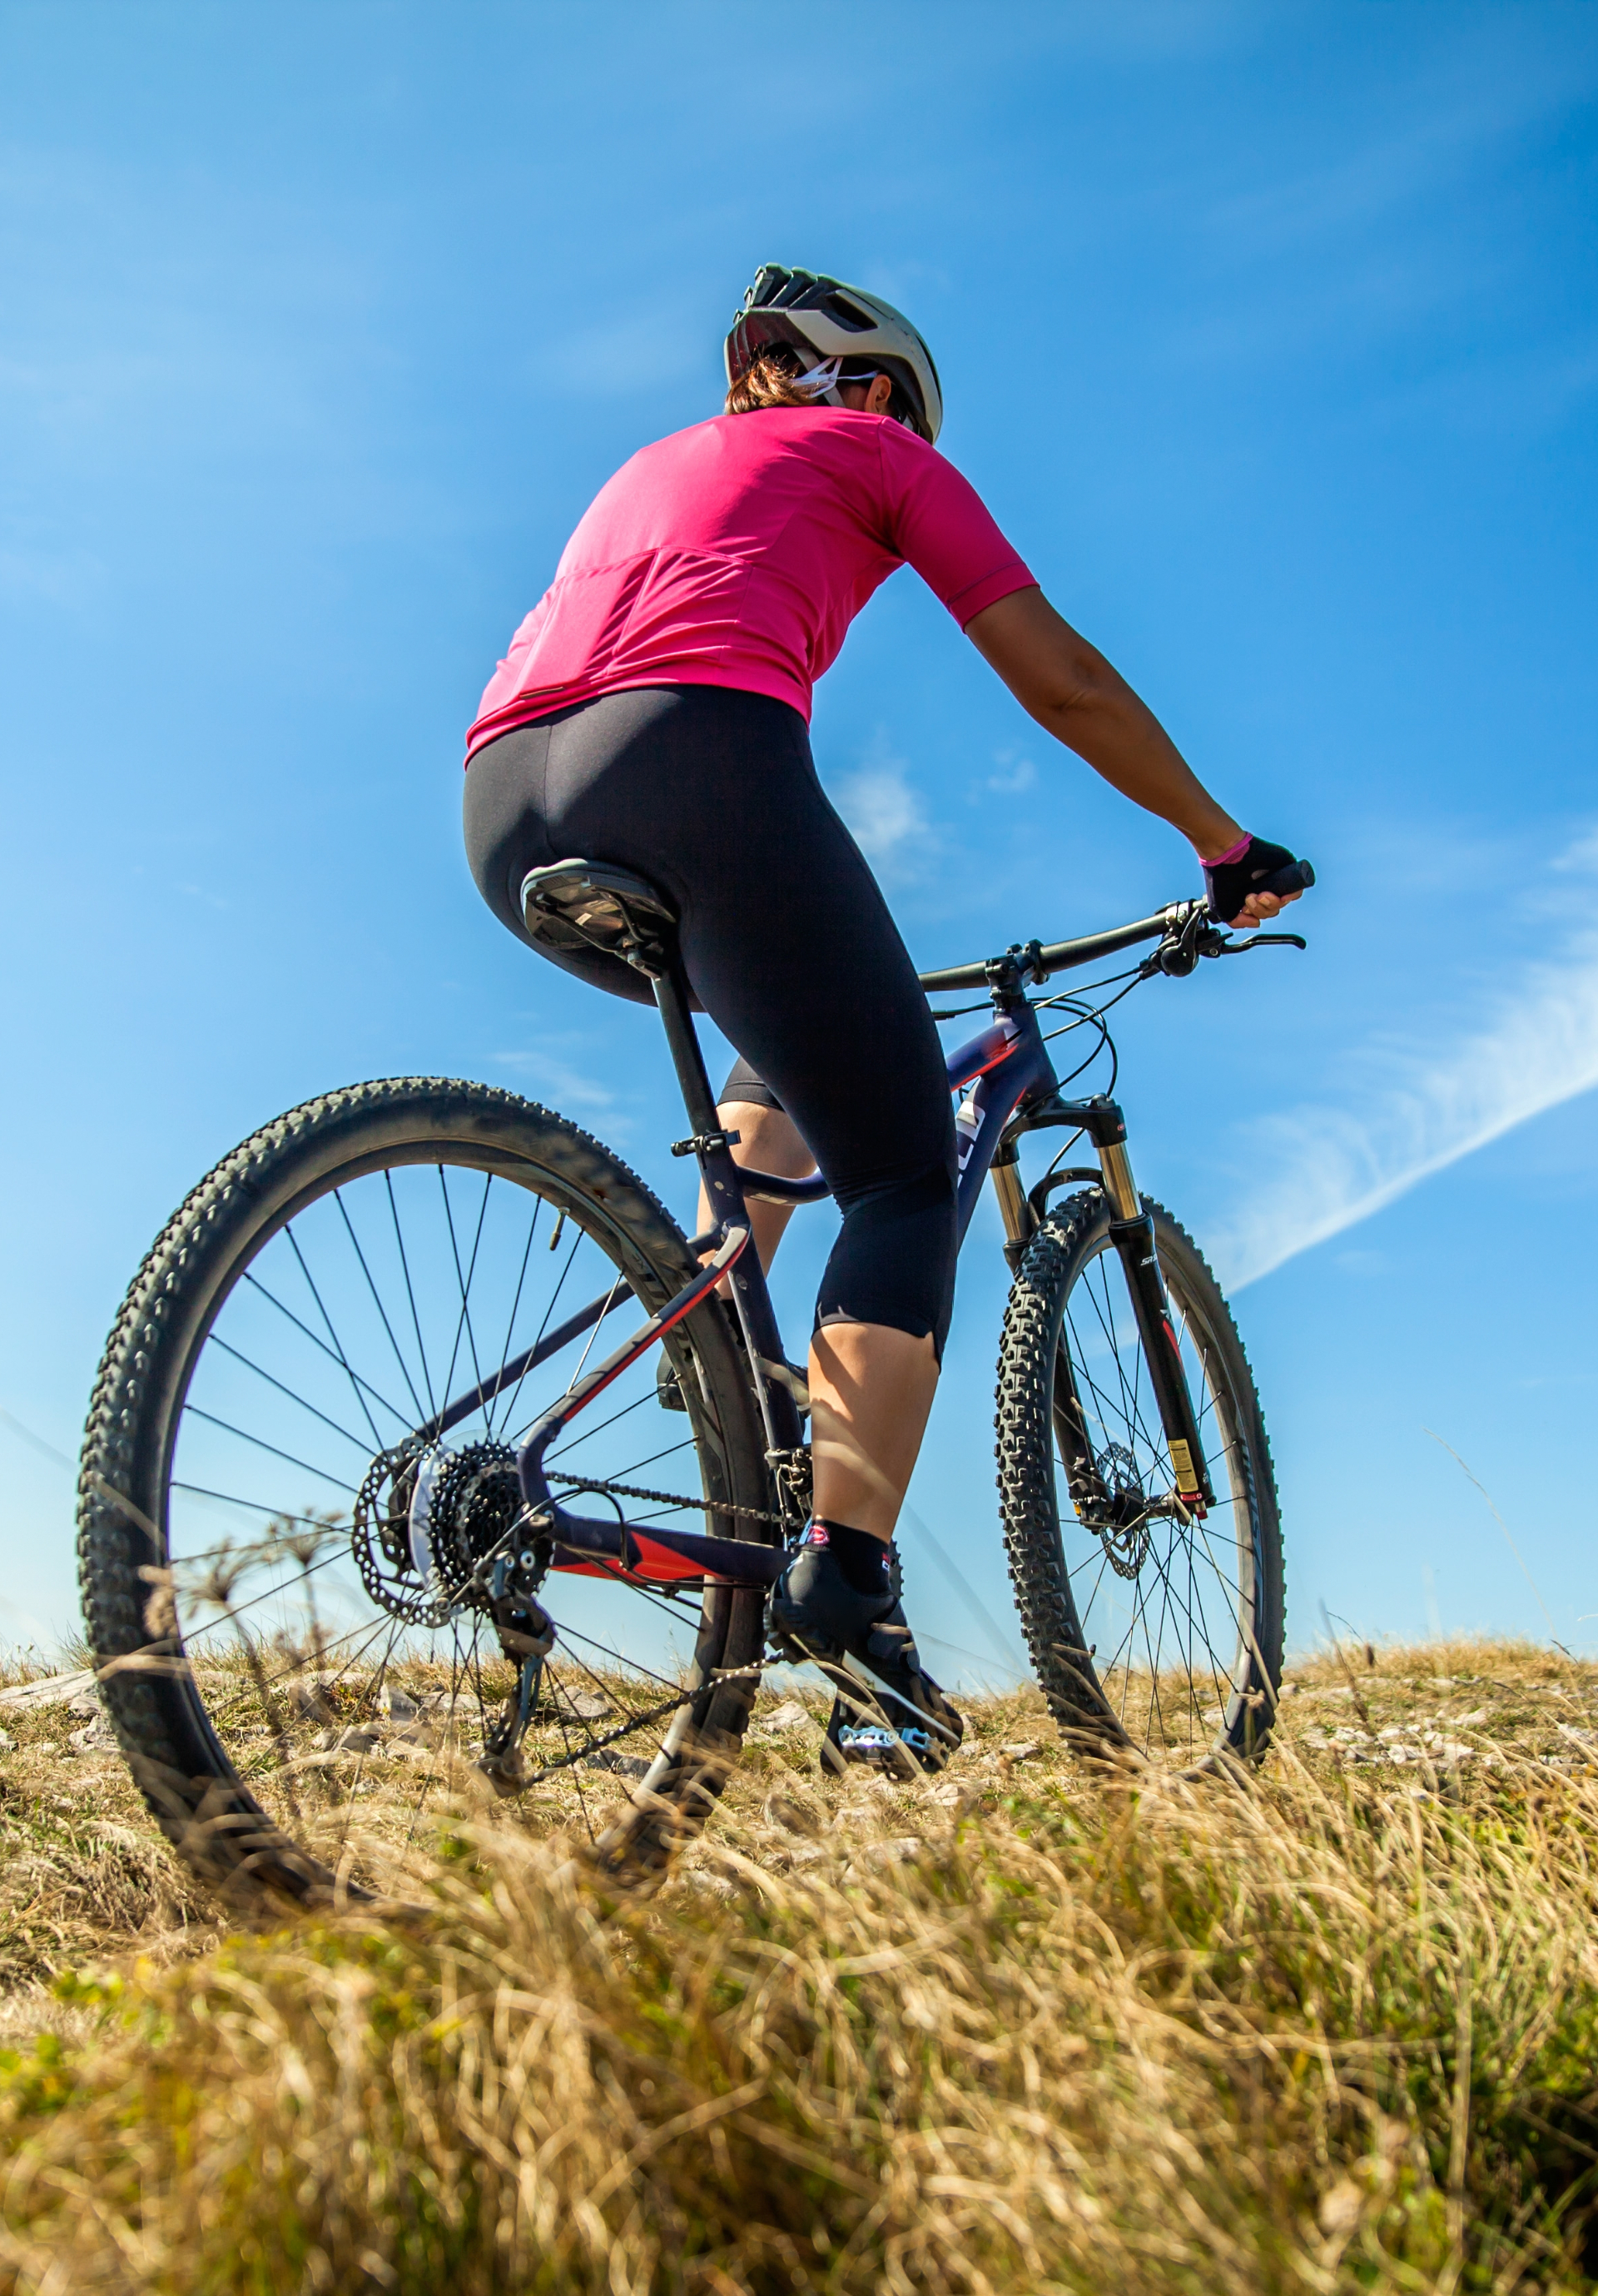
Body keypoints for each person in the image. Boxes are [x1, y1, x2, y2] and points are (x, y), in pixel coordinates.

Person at [462, 265, 1306, 1765]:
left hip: (501, 794)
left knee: (790, 1046)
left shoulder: (661, 461)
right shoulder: (882, 452)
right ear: (881, 393)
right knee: (909, 1165)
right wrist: (1219, 844)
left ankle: (726, 1337)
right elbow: (1061, 675)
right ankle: (844, 1579)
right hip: (686, 750)